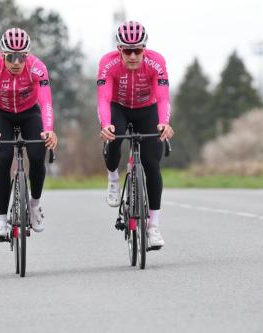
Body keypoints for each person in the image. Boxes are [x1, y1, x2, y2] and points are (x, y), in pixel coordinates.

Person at [97, 21, 174, 248]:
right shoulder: (108, 63)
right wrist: (106, 124)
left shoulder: (156, 62)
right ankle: (113, 177)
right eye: (127, 50)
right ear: (119, 49)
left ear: (144, 48)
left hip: (147, 109)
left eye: (137, 50)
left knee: (151, 164)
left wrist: (164, 124)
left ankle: (153, 227)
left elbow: (163, 98)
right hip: (117, 107)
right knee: (114, 138)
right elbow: (103, 98)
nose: (132, 56)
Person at [0, 27, 58, 238]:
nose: (16, 62)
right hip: (1, 114)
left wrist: (49, 130)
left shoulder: (37, 67)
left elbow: (46, 103)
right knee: (4, 158)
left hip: (29, 113)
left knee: (36, 154)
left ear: (27, 55)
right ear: (2, 54)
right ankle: (1, 221)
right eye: (11, 57)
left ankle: (34, 205)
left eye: (21, 57)